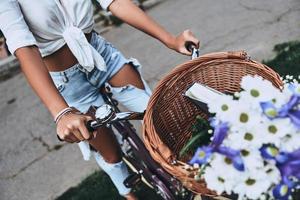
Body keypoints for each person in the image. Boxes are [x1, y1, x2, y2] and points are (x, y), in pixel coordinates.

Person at [0, 0, 199, 199]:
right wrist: (61, 112)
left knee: (158, 119)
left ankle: (195, 179)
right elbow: (23, 47)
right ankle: (128, 194)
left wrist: (170, 40)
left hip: (102, 56)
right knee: (111, 154)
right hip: (68, 83)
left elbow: (116, 2)